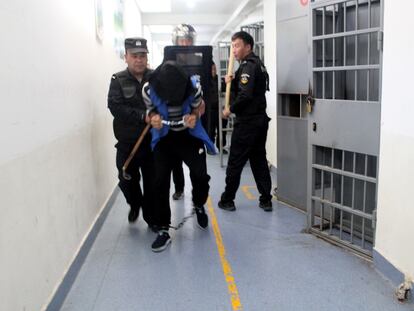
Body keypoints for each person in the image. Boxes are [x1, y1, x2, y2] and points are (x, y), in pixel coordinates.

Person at [143, 61, 215, 252]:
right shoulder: (149, 89)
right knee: (159, 181)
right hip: (164, 137)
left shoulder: (193, 87)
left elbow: (199, 108)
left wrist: (194, 116)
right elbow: (150, 112)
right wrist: (153, 118)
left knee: (200, 175)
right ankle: (163, 229)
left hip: (188, 136)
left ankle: (199, 204)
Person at [218, 31, 273, 212]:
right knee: (258, 160)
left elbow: (245, 95)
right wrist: (231, 81)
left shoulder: (248, 66)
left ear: (248, 47)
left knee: (235, 161)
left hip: (248, 123)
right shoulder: (257, 64)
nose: (234, 50)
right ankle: (266, 199)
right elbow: (248, 89)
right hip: (259, 122)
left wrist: (229, 109)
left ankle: (227, 199)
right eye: (232, 46)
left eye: (237, 45)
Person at [107, 37, 156, 229]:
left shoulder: (156, 77)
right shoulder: (117, 79)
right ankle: (135, 204)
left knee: (153, 183)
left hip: (151, 143)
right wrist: (142, 116)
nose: (139, 60)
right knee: (126, 180)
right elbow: (115, 106)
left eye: (142, 55)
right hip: (127, 144)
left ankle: (152, 218)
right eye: (134, 56)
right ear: (126, 57)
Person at [169, 23, 200, 200]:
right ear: (176, 41)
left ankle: (198, 197)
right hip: (174, 120)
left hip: (195, 121)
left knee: (197, 165)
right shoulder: (168, 63)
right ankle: (179, 188)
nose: (186, 44)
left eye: (188, 40)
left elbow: (208, 86)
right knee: (175, 161)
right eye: (182, 40)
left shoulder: (201, 59)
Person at [206, 63, 228, 154]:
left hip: (220, 109)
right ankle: (210, 148)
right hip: (210, 110)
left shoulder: (220, 80)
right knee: (210, 129)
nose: (213, 71)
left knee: (222, 129)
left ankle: (221, 147)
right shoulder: (206, 81)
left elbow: (227, 91)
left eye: (215, 69)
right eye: (212, 69)